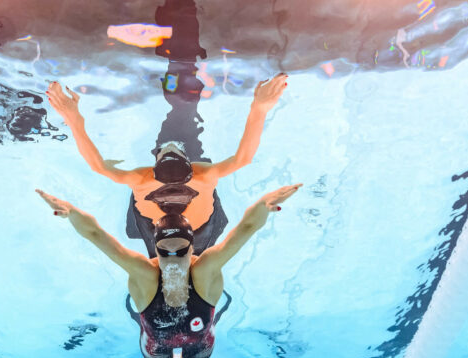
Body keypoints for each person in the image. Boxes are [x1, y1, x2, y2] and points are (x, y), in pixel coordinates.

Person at [35, 183, 302, 358]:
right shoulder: (145, 274)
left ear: (192, 248)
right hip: (157, 340)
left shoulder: (205, 271)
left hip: (198, 339)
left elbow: (245, 228)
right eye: (165, 251)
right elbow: (95, 234)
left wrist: (263, 205)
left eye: (180, 251)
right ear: (156, 248)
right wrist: (71, 212)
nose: (172, 259)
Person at [45, 73, 289, 256]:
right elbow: (243, 159)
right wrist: (260, 107)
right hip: (199, 233)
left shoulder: (142, 178)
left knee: (158, 268)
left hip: (162, 232)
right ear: (191, 165)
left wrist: (72, 117)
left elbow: (99, 167)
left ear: (155, 166)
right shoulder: (203, 175)